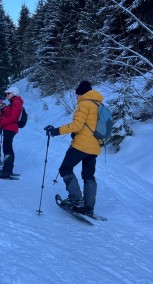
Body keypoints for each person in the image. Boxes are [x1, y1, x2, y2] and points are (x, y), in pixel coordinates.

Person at [44, 80, 103, 216]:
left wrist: (56, 131)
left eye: (77, 95)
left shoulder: (84, 104)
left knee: (65, 168)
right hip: (95, 146)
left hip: (81, 145)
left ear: (82, 93)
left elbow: (77, 125)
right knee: (89, 175)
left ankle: (76, 200)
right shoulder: (99, 105)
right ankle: (88, 206)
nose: (77, 98)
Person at [0, 86, 24, 178]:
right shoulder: (13, 103)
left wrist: (0, 122)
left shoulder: (16, 102)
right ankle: (7, 169)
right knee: (7, 148)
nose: (7, 95)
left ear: (13, 93)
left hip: (11, 128)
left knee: (7, 148)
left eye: (8, 93)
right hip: (9, 128)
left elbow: (13, 117)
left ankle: (7, 171)